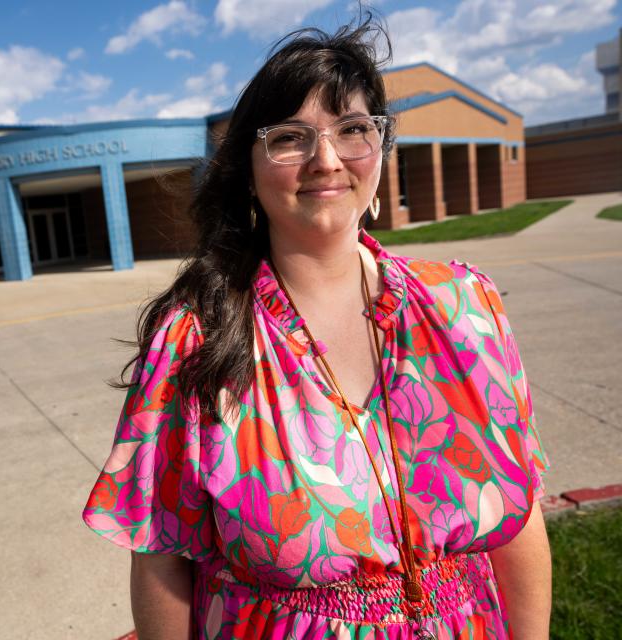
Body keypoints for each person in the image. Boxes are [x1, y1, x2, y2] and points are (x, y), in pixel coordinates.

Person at [84, 13, 550, 640]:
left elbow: (521, 520)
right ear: (249, 168)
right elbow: (162, 553)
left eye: (353, 129)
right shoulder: (195, 337)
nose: (326, 160)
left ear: (380, 151)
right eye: (290, 138)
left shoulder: (466, 307)